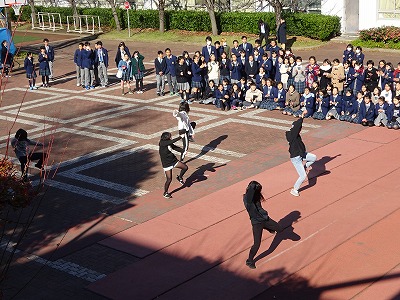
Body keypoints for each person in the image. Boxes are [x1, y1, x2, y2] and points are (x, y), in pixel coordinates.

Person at [244, 180, 283, 269]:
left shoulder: (255, 196)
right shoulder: (247, 199)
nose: (260, 193)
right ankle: (249, 260)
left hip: (265, 219)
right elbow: (250, 197)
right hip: (256, 223)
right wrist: (253, 186)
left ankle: (267, 227)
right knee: (257, 244)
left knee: (280, 229)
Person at [286, 116, 317, 197]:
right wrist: (302, 117)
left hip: (301, 154)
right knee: (303, 176)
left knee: (313, 157)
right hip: (296, 158)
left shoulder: (293, 134)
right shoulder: (293, 135)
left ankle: (304, 167)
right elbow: (297, 126)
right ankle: (294, 189)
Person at [159, 132, 188, 199]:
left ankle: (180, 177)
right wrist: (180, 137)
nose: (171, 137)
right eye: (170, 136)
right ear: (166, 137)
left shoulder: (169, 143)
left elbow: (175, 147)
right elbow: (172, 141)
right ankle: (165, 193)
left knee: (185, 167)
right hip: (166, 164)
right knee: (169, 179)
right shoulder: (162, 143)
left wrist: (183, 151)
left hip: (173, 161)